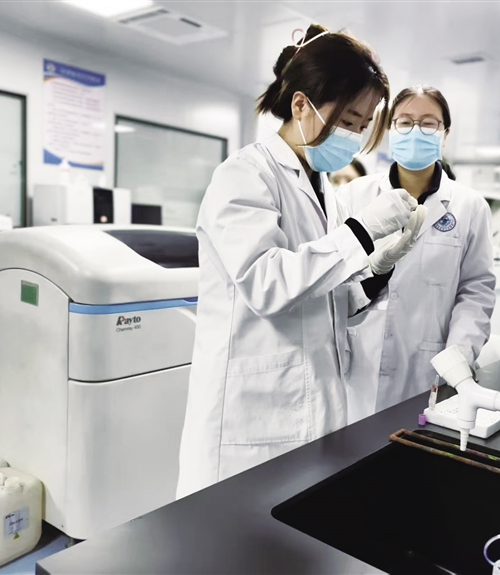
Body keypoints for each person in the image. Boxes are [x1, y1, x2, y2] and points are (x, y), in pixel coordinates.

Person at [177, 25, 427, 498]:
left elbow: (323, 299)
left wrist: (375, 273)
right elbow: (267, 284)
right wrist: (362, 231)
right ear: (300, 105)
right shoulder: (244, 175)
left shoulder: (323, 189)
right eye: (349, 119)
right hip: (251, 417)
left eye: (363, 124)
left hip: (313, 406)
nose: (354, 135)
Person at [336, 85, 496, 424]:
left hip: (430, 365)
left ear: (445, 134)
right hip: (358, 361)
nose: (415, 131)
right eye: (405, 122)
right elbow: (333, 278)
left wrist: (458, 358)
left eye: (428, 123)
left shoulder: (470, 206)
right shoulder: (353, 196)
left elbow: (476, 290)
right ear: (390, 129)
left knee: (414, 447)